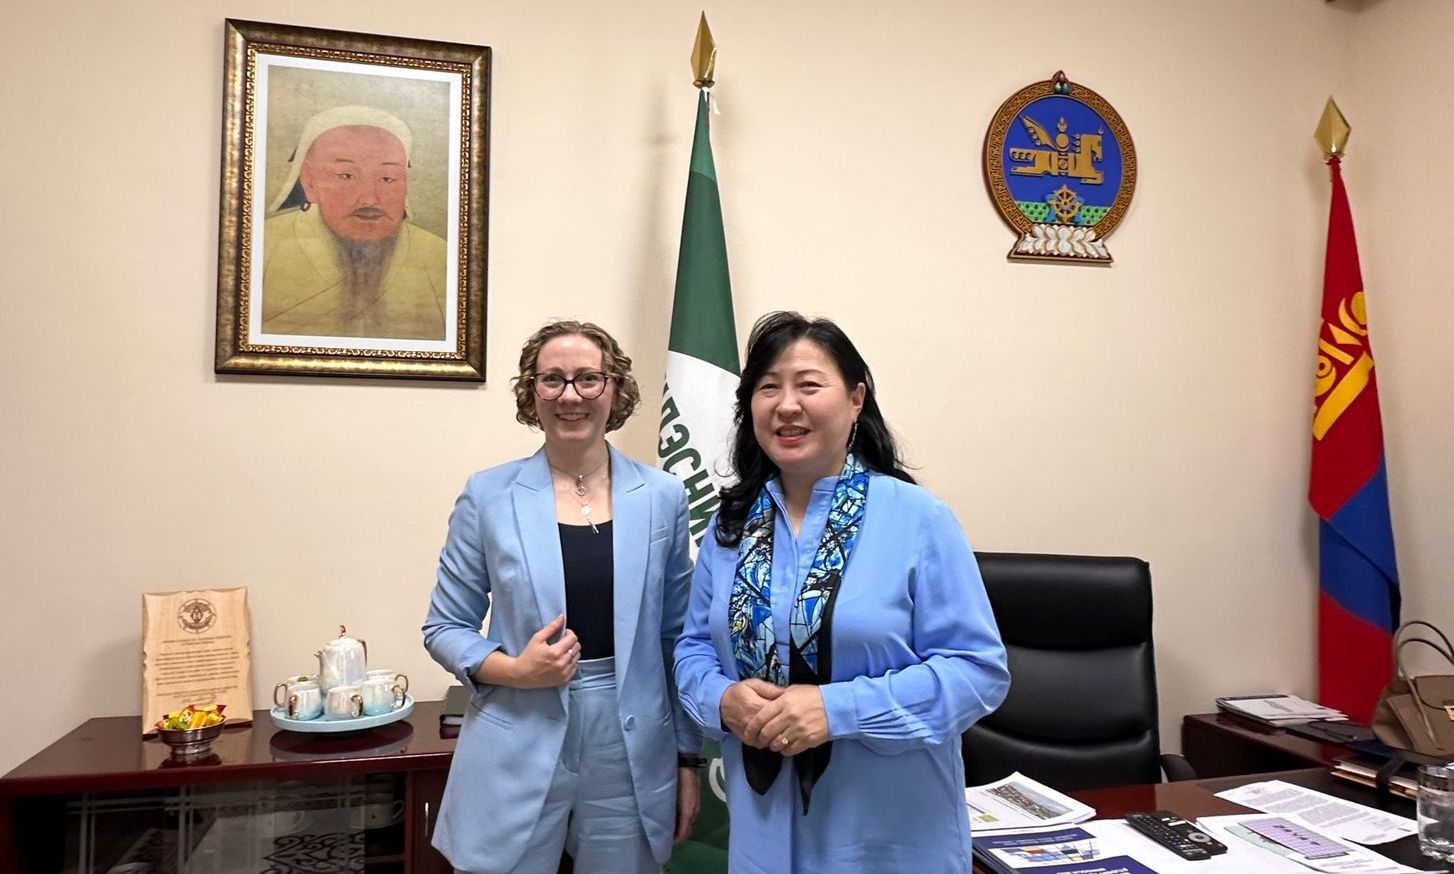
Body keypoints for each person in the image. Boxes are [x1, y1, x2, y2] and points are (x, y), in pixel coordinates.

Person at [674, 311, 1010, 873]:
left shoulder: (917, 519)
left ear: (856, 399)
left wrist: (838, 710)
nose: (786, 405)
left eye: (809, 384)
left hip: (887, 834)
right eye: (768, 388)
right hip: (763, 833)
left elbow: (977, 670)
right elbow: (693, 651)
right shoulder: (731, 527)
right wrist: (721, 701)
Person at [423, 320, 703, 874]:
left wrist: (688, 756)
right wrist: (514, 669)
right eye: (552, 379)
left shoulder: (663, 497)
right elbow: (444, 626)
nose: (570, 395)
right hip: (518, 724)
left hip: (630, 742)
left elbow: (680, 639)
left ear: (614, 390)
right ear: (532, 393)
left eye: (588, 379)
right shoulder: (488, 495)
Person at [260, 105, 448, 341]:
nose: (369, 197)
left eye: (387, 178)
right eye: (346, 176)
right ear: (309, 182)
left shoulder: (439, 256)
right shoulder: (260, 249)